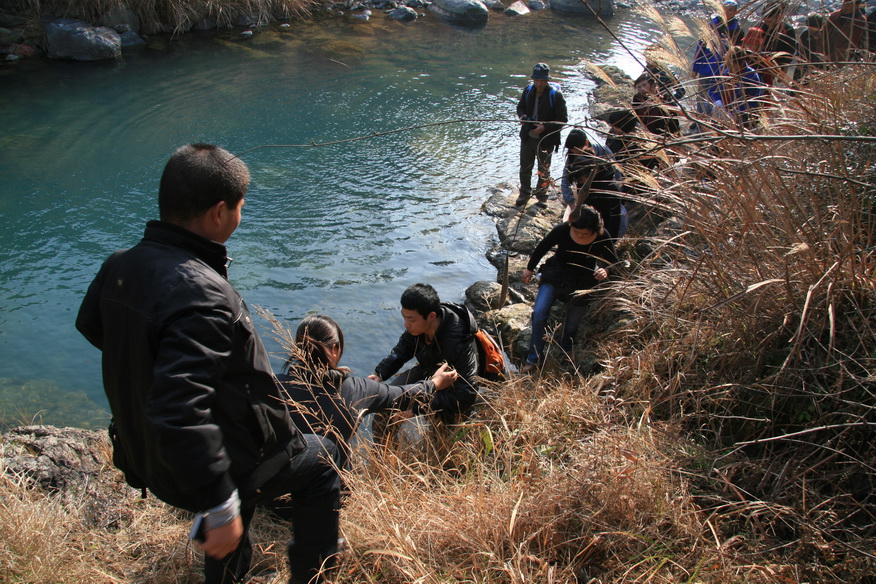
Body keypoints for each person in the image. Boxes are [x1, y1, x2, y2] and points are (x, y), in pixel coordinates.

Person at [75, 143, 341, 584]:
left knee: (237, 485)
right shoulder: (205, 295)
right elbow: (178, 410)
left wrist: (152, 368)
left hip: (144, 451)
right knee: (323, 460)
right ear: (219, 213)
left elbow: (92, 327)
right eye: (240, 206)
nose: (242, 214)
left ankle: (230, 565)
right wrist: (220, 506)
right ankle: (314, 575)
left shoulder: (121, 264)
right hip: (207, 465)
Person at [278, 314, 458, 468]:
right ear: (334, 350)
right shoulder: (357, 389)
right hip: (334, 492)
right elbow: (402, 396)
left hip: (277, 494)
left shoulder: (273, 385)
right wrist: (434, 383)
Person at [520, 205, 619, 373]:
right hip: (556, 273)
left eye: (585, 234)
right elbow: (542, 247)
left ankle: (566, 346)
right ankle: (534, 358)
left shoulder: (603, 236)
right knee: (539, 313)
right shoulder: (563, 230)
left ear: (595, 230)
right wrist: (530, 268)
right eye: (577, 232)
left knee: (572, 323)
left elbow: (615, 262)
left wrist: (606, 270)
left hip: (583, 281)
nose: (580, 236)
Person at [368, 283, 480, 424]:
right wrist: (380, 374)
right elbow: (402, 350)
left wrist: (417, 409)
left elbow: (467, 393)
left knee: (440, 428)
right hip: (427, 370)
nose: (406, 325)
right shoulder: (417, 327)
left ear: (431, 316)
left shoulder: (458, 340)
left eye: (411, 319)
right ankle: (386, 446)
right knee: (385, 413)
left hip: (452, 384)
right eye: (404, 318)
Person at [515, 62, 569, 207]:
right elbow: (520, 107)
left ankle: (542, 195)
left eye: (542, 80)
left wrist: (544, 126)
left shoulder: (555, 95)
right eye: (537, 80)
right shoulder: (528, 90)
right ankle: (524, 193)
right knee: (525, 167)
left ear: (547, 80)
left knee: (543, 168)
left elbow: (563, 119)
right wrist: (523, 116)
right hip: (528, 136)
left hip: (546, 139)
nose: (539, 83)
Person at [560, 128, 626, 240]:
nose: (575, 153)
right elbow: (565, 180)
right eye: (571, 150)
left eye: (576, 150)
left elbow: (617, 173)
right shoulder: (573, 157)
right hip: (588, 192)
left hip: (603, 190)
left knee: (607, 220)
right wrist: (572, 204)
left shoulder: (603, 152)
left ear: (586, 143)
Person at [710, 46, 767, 128]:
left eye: (731, 64)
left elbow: (753, 102)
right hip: (721, 111)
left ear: (739, 63)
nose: (728, 67)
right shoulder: (723, 68)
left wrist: (737, 113)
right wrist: (717, 101)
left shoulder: (751, 76)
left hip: (742, 118)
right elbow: (713, 88)